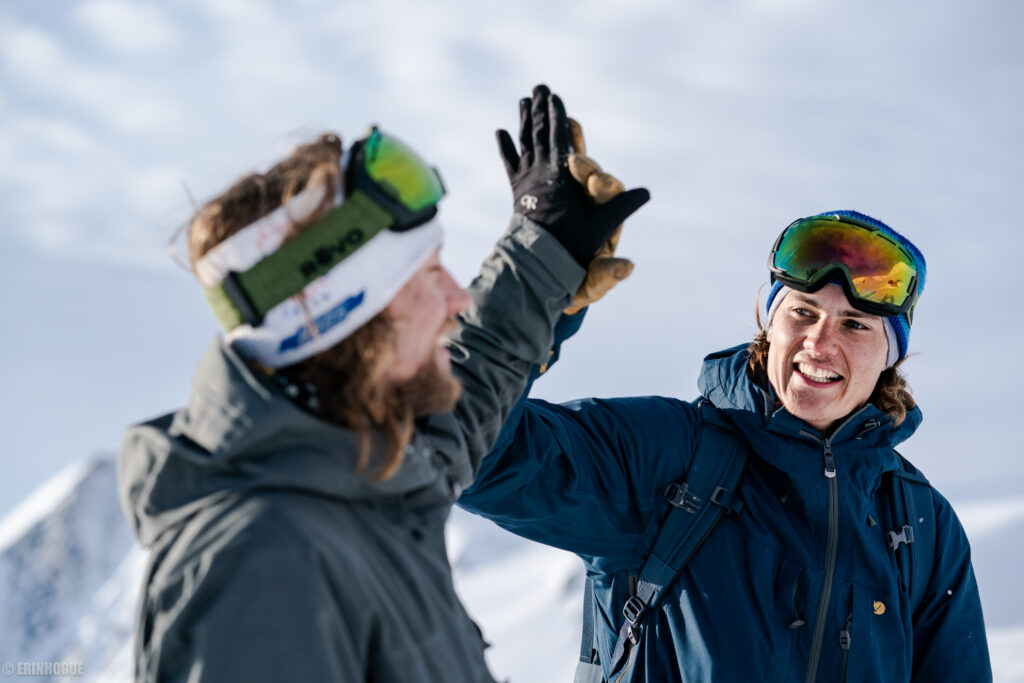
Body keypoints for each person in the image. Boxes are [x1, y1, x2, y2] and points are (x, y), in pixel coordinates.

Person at [118, 87, 649, 682]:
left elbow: (470, 389)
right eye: (427, 273)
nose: (457, 299)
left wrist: (543, 250)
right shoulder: (261, 568)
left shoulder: (368, 466)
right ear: (340, 318)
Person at [456, 207, 993, 681]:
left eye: (855, 325)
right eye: (803, 312)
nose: (820, 342)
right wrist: (536, 282)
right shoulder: (670, 456)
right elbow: (472, 450)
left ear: (890, 359)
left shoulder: (921, 524)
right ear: (769, 324)